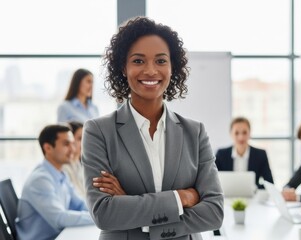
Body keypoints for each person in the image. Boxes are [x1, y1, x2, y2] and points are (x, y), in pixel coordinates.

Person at [82, 17, 223, 240]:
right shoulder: (98, 131)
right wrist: (181, 198)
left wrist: (132, 206)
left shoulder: (194, 133)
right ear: (123, 67)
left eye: (160, 61)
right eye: (138, 61)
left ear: (172, 66)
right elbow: (104, 213)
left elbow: (214, 213)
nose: (150, 70)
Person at [16, 124, 94, 240]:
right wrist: (97, 218)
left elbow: (79, 204)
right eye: (66, 144)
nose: (73, 149)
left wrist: (100, 212)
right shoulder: (40, 180)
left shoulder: (61, 173)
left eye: (73, 143)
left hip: (58, 235)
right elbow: (59, 218)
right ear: (47, 148)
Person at [215, 117, 274, 189]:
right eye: (236, 133)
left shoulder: (260, 155)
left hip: (253, 198)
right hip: (227, 197)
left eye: (244, 132)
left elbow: (270, 183)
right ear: (231, 134)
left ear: (250, 133)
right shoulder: (221, 155)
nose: (241, 137)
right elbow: (213, 181)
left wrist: (254, 188)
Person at [62, 121, 86, 199]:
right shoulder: (64, 168)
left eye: (85, 138)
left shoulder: (79, 164)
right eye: (80, 138)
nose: (84, 142)